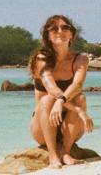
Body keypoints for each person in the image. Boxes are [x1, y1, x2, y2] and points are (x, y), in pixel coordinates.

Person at [28, 15, 94, 169]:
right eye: (54, 29)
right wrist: (78, 109)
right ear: (48, 36)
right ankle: (53, 155)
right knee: (47, 100)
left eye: (65, 28)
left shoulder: (81, 59)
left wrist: (62, 101)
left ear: (72, 34)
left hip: (70, 127)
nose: (60, 31)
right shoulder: (41, 58)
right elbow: (51, 88)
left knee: (81, 98)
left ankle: (65, 151)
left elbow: (77, 85)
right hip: (42, 128)